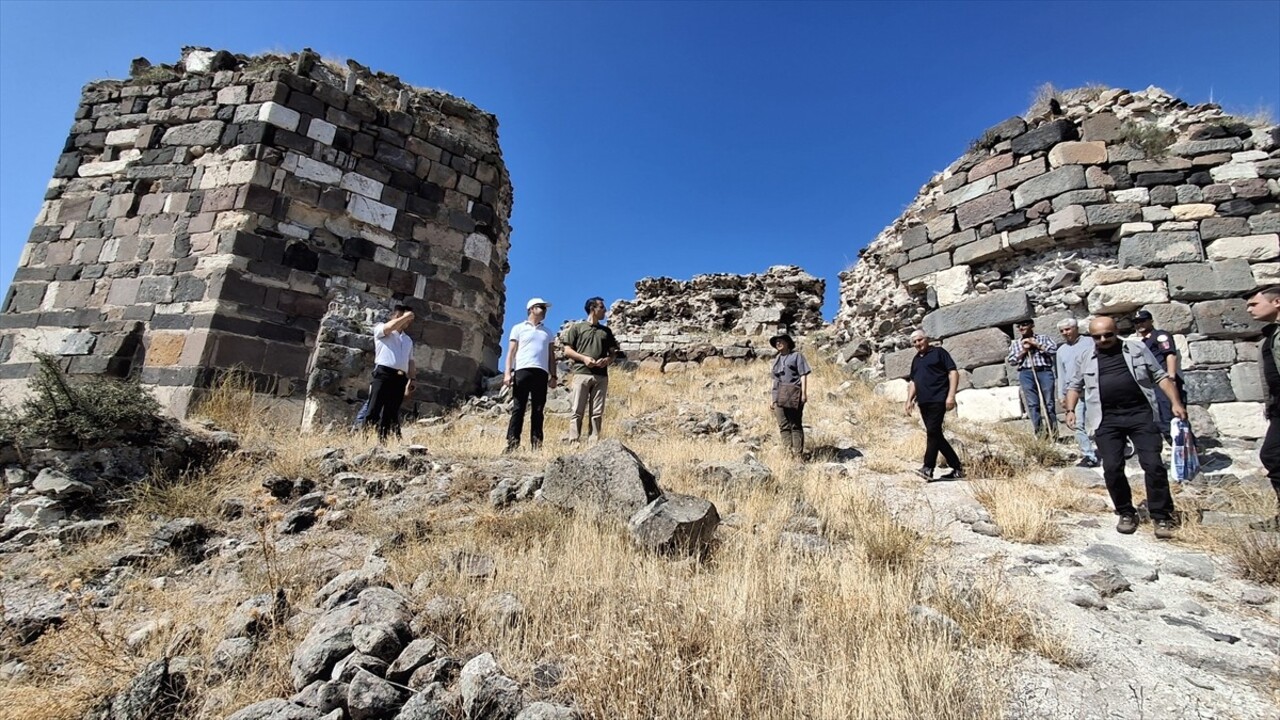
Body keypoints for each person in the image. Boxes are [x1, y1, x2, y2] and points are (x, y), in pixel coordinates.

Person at [1064, 316, 1187, 539]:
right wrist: (1070, 410)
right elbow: (1074, 385)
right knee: (1112, 467)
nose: (1103, 339)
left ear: (1116, 331)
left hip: (1141, 415)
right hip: (1105, 419)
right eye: (1097, 337)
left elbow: (1160, 376)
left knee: (1153, 465)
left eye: (1108, 334)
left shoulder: (1136, 349)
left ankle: (1161, 515)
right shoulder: (1085, 357)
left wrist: (1176, 403)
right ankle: (1126, 512)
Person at [904, 330, 964, 482]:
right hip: (923, 401)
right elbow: (913, 381)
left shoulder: (939, 353)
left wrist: (951, 396)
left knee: (932, 433)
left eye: (920, 340)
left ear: (927, 339)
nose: (918, 343)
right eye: (915, 342)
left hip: (939, 398)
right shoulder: (916, 359)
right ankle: (957, 468)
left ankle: (928, 468)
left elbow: (953, 373)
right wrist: (909, 400)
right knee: (936, 434)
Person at [560, 296, 620, 443]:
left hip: (601, 376)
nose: (605, 310)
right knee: (577, 410)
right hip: (581, 373)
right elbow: (567, 351)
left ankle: (594, 441)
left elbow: (613, 353)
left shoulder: (606, 331)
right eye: (602, 307)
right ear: (593, 309)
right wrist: (584, 359)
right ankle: (574, 440)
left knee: (597, 412)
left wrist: (607, 360)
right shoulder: (577, 328)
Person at [1245, 285, 1280, 531]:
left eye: (1254, 304)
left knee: (1272, 454)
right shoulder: (1270, 336)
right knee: (1273, 454)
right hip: (1278, 407)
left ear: (1276, 301)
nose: (1248, 309)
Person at [503, 298, 557, 452]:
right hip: (522, 370)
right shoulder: (518, 328)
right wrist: (508, 373)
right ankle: (512, 443)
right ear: (531, 309)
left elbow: (551, 356)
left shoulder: (548, 332)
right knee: (518, 408)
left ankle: (537, 445)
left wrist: (553, 376)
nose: (544, 310)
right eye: (541, 307)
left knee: (538, 409)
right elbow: (511, 352)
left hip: (541, 372)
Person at [1132, 309, 1186, 442]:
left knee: (1172, 417)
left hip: (1165, 381)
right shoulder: (1143, 342)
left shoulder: (1160, 336)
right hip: (1153, 384)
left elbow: (1170, 355)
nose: (1140, 324)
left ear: (1151, 321)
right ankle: (1177, 448)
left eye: (1143, 321)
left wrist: (1171, 377)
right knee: (1161, 418)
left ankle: (1188, 449)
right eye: (1137, 322)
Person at [364, 305, 415, 441]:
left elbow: (410, 361)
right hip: (383, 374)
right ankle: (365, 438)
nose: (404, 321)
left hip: (400, 378)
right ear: (394, 316)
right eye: (399, 317)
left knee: (391, 412)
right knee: (374, 408)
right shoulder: (381, 329)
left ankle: (383, 441)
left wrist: (411, 380)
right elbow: (388, 328)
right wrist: (405, 316)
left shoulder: (408, 340)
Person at [1055, 318, 1098, 467]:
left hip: (1093, 388)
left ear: (1076, 328)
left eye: (1067, 329)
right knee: (1078, 424)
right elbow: (1061, 374)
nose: (1065, 333)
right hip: (1074, 392)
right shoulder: (1061, 351)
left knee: (1100, 421)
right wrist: (1061, 395)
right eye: (1062, 331)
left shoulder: (1091, 342)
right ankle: (1089, 455)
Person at [1007, 318, 1059, 437]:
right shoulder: (1016, 344)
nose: (1021, 328)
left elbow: (1053, 350)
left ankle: (1053, 433)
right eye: (1019, 326)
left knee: (1049, 403)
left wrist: (1036, 345)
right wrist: (1024, 351)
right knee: (1033, 404)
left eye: (1024, 325)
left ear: (1032, 325)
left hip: (1044, 371)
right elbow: (1012, 360)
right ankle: (1040, 434)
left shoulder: (1043, 338)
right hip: (1026, 373)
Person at [769, 333, 811, 458]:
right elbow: (774, 380)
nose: (778, 343)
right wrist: (772, 399)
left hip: (793, 394)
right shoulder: (776, 359)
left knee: (795, 425)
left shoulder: (796, 356)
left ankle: (797, 454)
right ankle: (788, 454)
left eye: (781, 341)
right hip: (779, 395)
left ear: (788, 343)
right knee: (783, 425)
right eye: (776, 342)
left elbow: (803, 374)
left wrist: (804, 393)